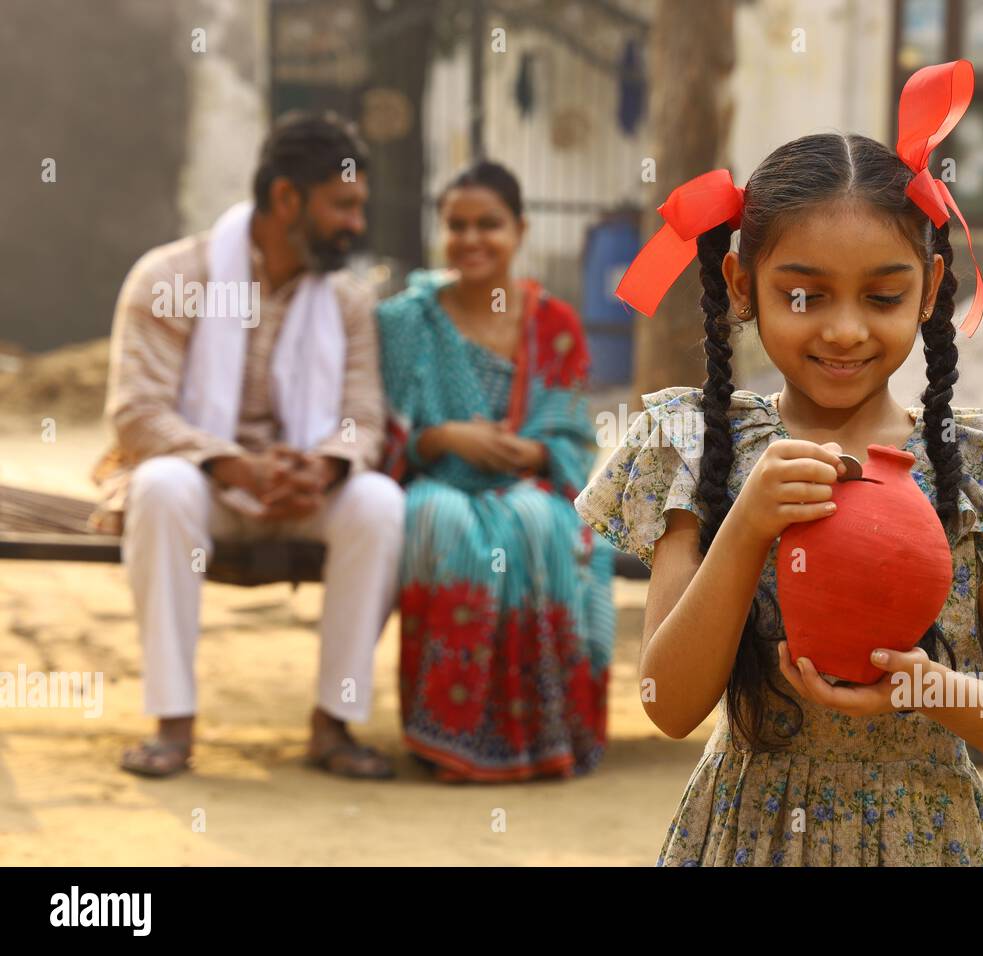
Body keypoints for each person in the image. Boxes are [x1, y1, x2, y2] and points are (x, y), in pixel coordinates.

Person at [574, 60, 983, 865]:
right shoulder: (693, 444)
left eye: (883, 297)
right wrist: (745, 525)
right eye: (805, 295)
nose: (845, 330)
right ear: (742, 287)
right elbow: (667, 703)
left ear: (929, 292)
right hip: (750, 836)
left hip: (932, 840)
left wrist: (929, 687)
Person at [92, 112, 405, 780]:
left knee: (377, 502)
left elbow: (363, 421)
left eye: (360, 207)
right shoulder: (171, 275)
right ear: (287, 198)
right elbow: (136, 413)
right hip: (204, 483)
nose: (356, 224)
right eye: (343, 205)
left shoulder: (347, 302)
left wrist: (322, 466)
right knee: (159, 486)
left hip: (299, 488)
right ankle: (172, 724)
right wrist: (234, 464)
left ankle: (333, 723)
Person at [376, 160, 615, 782]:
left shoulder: (553, 324)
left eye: (489, 224)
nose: (472, 239)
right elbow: (384, 436)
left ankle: (541, 735)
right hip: (439, 481)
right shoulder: (407, 322)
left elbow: (570, 437)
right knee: (437, 518)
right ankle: (449, 733)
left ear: (520, 230)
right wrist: (442, 438)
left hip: (527, 485)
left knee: (539, 523)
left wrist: (534, 454)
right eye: (457, 225)